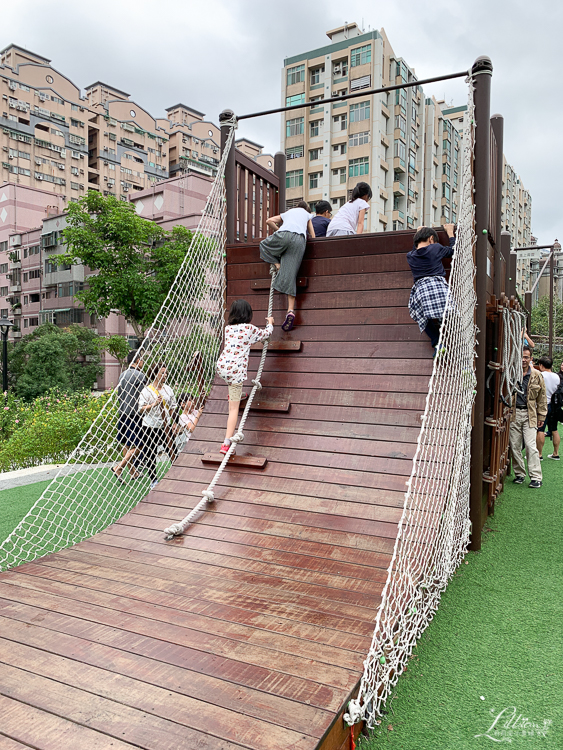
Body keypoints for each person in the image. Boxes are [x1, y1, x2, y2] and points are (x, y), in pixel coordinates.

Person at [216, 299, 274, 454]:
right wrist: (270, 323)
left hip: (222, 367)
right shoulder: (249, 328)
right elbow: (266, 334)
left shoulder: (228, 329)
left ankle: (236, 394)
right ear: (248, 314)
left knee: (234, 386)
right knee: (233, 409)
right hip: (235, 371)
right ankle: (226, 443)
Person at [260, 200, 315, 332]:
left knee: (263, 245)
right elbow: (313, 235)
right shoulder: (307, 215)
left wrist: (280, 231)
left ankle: (277, 264)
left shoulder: (289, 212)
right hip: (299, 241)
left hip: (284, 235)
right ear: (307, 209)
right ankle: (290, 310)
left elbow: (269, 221)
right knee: (291, 277)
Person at [406, 223, 456, 354]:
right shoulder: (435, 248)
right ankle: (453, 342)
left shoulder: (410, 256)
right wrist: (450, 232)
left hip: (421, 290)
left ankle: (437, 341)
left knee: (420, 315)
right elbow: (453, 251)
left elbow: (416, 248)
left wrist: (419, 232)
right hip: (438, 287)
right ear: (431, 239)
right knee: (447, 313)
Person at [509, 346, 547, 488]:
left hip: (530, 414)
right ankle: (519, 474)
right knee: (514, 445)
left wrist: (541, 415)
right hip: (514, 414)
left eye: (526, 357)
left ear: (531, 358)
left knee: (531, 446)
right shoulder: (512, 373)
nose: (523, 360)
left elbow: (542, 397)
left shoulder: (537, 375)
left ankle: (536, 477)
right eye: (521, 356)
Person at [138, 362, 177, 489]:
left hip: (165, 426)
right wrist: (153, 404)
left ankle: (177, 475)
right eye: (162, 373)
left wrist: (174, 422)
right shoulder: (147, 390)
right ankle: (153, 479)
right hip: (150, 426)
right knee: (150, 453)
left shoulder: (168, 389)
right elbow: (141, 409)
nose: (165, 375)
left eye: (166, 373)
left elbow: (172, 408)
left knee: (173, 450)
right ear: (155, 374)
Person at [112, 349, 146, 482]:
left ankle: (133, 472)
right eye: (142, 359)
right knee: (140, 445)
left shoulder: (122, 375)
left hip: (122, 412)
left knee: (126, 444)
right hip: (134, 414)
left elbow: (120, 394)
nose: (143, 361)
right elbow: (143, 396)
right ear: (137, 360)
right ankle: (119, 467)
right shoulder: (140, 376)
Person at [536, 356, 561, 460]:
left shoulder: (540, 375)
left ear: (541, 365)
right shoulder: (557, 377)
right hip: (553, 405)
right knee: (554, 429)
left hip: (542, 405)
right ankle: (556, 453)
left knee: (540, 429)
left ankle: (539, 455)